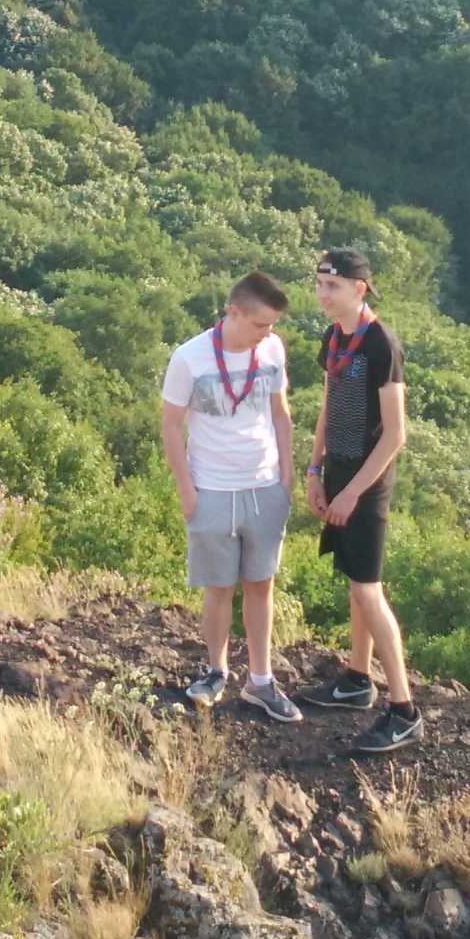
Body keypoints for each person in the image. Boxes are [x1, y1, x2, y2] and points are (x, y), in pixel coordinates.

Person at [161, 271, 302, 723]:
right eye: (261, 324)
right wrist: (187, 491)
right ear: (234, 312)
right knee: (219, 587)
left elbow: (281, 413)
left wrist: (287, 477)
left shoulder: (272, 349)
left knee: (261, 585)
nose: (268, 333)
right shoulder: (189, 357)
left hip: (264, 486)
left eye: (273, 325)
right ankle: (215, 672)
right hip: (212, 488)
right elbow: (170, 425)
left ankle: (261, 680)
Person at [299, 248, 422, 752]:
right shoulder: (335, 337)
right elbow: (328, 406)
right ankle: (356, 679)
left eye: (332, 286)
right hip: (339, 472)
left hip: (367, 484)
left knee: (369, 590)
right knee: (355, 583)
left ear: (359, 288)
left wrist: (352, 492)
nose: (322, 295)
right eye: (319, 285)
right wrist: (315, 470)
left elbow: (396, 435)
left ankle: (404, 710)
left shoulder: (380, 344)